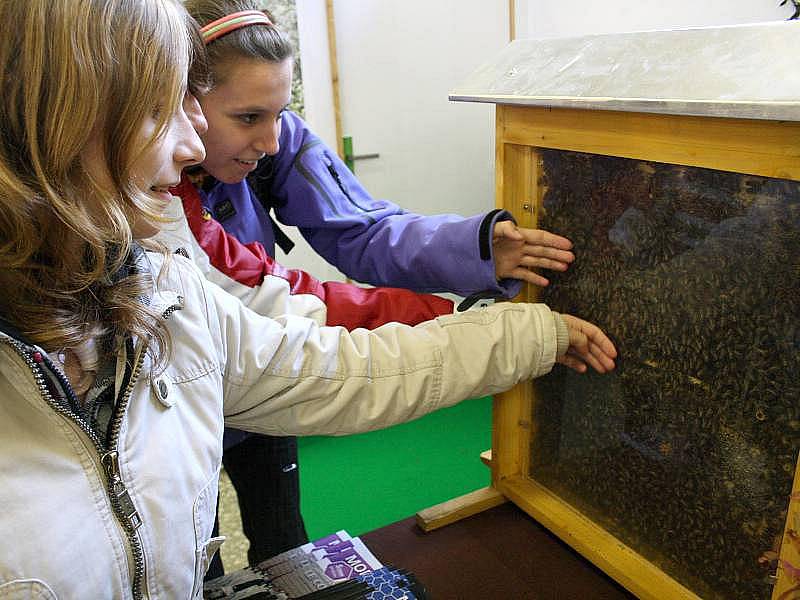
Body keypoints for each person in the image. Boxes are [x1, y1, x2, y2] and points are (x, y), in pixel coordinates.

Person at [0, 0, 618, 596]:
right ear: (57, 122)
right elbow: (292, 305)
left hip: (247, 391)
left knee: (254, 533)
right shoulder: (170, 243)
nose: (191, 148)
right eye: (161, 110)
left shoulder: (157, 283)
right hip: (233, 386)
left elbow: (328, 325)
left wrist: (488, 271)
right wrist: (468, 309)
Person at [182, 0, 579, 570]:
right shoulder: (145, 197)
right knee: (195, 560)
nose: (271, 141)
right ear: (183, 105)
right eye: (248, 118)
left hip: (268, 362)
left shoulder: (277, 139)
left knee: (284, 536)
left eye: (279, 113)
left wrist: (476, 248)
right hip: (186, 390)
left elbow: (363, 228)